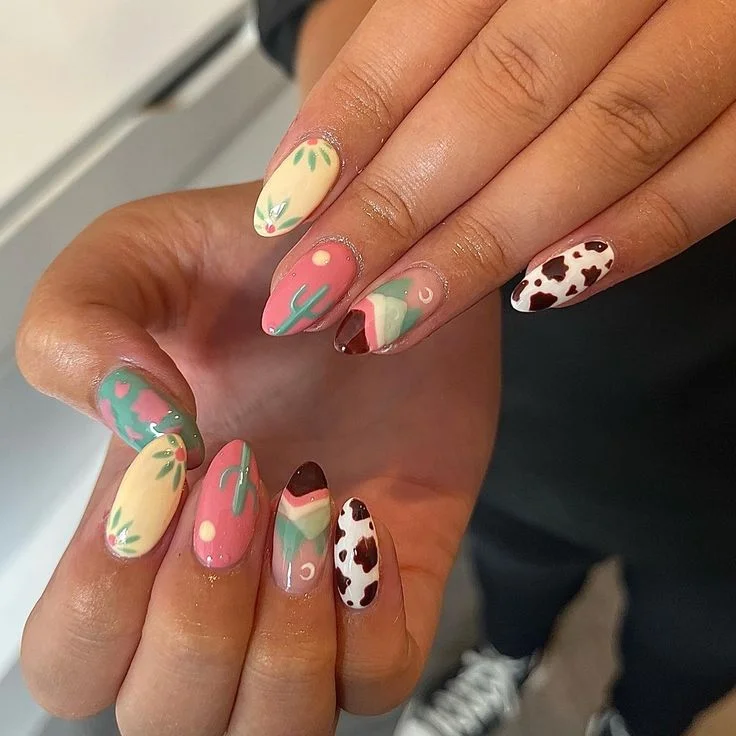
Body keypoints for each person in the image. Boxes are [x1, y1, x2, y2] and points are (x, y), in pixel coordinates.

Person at [15, 2, 735, 736]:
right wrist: (381, 205)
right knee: (517, 581)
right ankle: (509, 656)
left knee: (684, 663)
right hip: (510, 422)